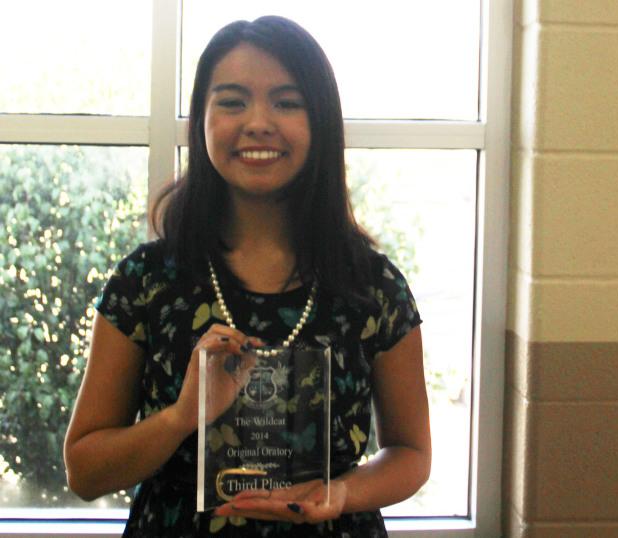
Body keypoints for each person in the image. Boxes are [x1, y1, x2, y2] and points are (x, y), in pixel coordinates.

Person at [63, 16, 430, 537]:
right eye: (232, 101)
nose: (258, 122)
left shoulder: (374, 287)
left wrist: (343, 491)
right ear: (202, 120)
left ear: (320, 122)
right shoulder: (145, 281)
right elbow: (84, 471)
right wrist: (180, 416)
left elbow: (412, 453)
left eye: (287, 102)